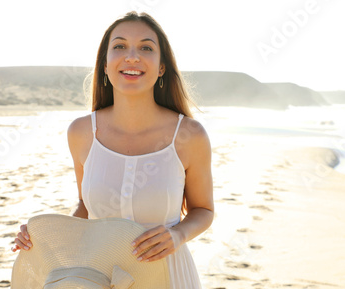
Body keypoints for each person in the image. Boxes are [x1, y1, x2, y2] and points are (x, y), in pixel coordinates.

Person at [12, 11, 213, 288]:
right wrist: (44, 237)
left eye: (146, 47)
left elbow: (202, 209)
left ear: (162, 67)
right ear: (105, 65)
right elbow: (85, 206)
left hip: (168, 275)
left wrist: (177, 235)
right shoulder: (82, 133)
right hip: (99, 276)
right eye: (119, 46)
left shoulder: (189, 135)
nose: (132, 56)